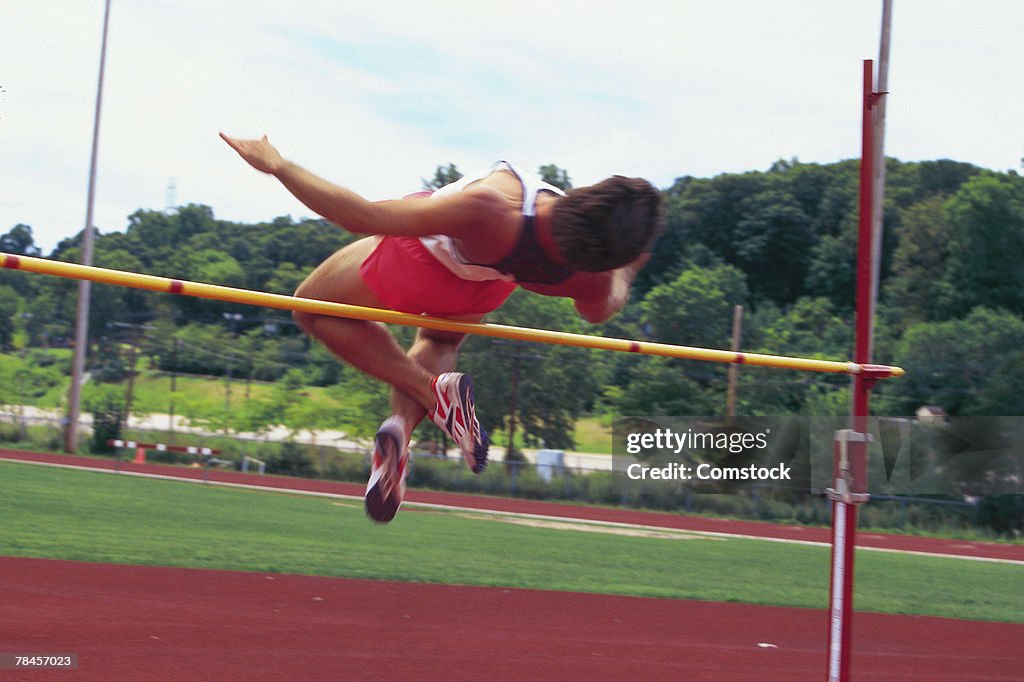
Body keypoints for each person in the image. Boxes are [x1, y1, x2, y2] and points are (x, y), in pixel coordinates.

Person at [220, 133, 662, 522]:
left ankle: (433, 394)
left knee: (311, 306)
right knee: (436, 338)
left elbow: (362, 217)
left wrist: (278, 165)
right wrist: (627, 270)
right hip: (483, 287)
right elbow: (598, 311)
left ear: (589, 193)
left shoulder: (490, 207)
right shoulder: (588, 274)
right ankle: (400, 431)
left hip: (423, 262)